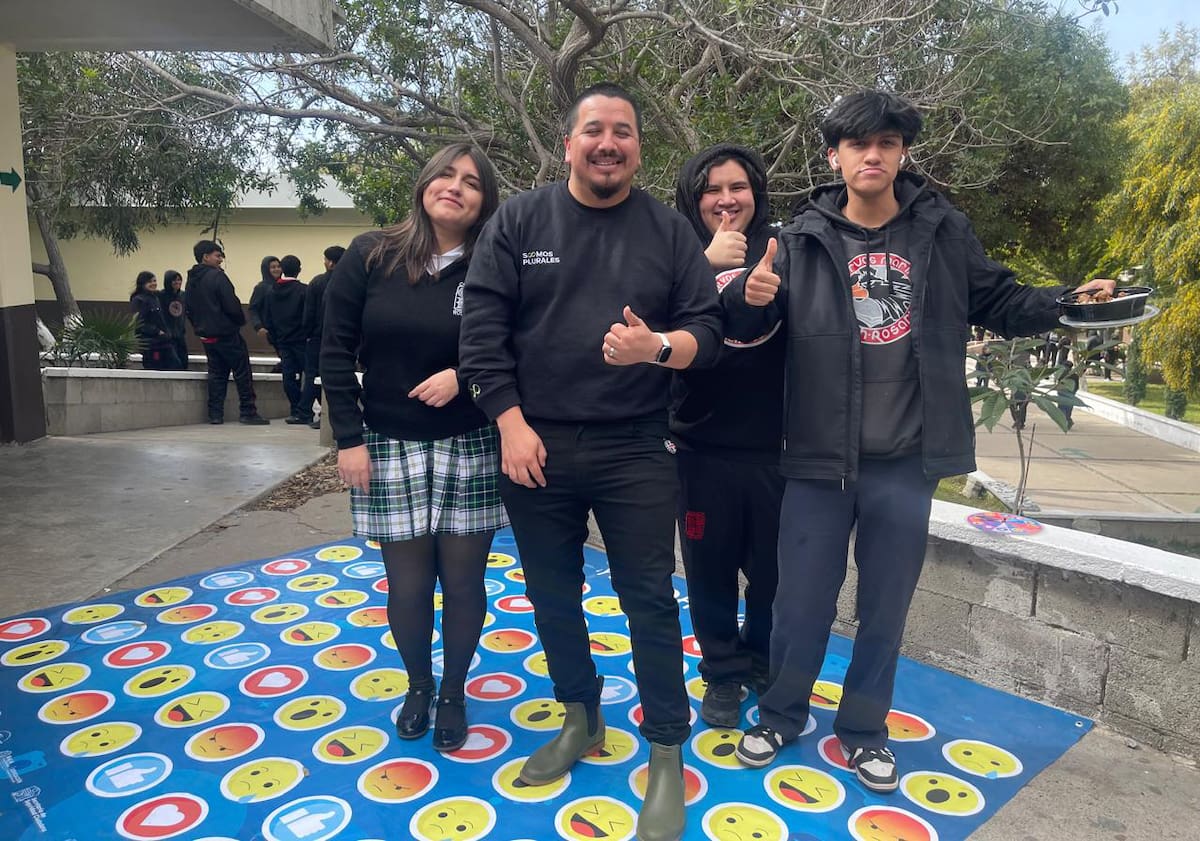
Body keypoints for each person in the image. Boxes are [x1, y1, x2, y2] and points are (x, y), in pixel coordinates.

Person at [721, 89, 1115, 793]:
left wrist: (1064, 303)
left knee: (885, 606)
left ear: (902, 152)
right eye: (857, 144)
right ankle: (781, 713)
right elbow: (749, 332)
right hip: (817, 456)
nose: (872, 155)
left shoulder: (941, 229)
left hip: (906, 458)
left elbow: (999, 298)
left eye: (887, 143)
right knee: (800, 602)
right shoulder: (801, 238)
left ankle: (864, 729)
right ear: (835, 155)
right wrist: (744, 300)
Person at [459, 82, 722, 841]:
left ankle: (666, 749)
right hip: (534, 442)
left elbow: (706, 328)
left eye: (625, 133)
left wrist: (660, 348)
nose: (610, 144)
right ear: (569, 141)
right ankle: (581, 716)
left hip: (636, 443)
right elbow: (482, 332)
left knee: (649, 598)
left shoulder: (668, 232)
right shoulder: (519, 220)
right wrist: (509, 421)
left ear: (639, 147)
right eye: (595, 130)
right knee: (551, 592)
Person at [321, 143, 505, 754]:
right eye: (446, 175)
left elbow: (519, 342)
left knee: (463, 578)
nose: (455, 187)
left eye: (471, 182)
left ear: (485, 202)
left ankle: (454, 689)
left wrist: (464, 372)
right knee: (406, 580)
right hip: (387, 442)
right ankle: (419, 684)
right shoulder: (370, 255)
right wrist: (348, 439)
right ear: (425, 184)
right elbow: (335, 352)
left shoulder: (493, 264)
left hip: (470, 441)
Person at [671, 143, 784, 728]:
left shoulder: (784, 249)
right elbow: (649, 327)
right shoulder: (675, 255)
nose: (725, 199)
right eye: (711, 189)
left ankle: (762, 658)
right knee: (709, 570)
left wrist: (759, 287)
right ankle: (721, 671)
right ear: (695, 199)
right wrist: (707, 264)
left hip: (775, 449)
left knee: (772, 574)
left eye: (736, 187)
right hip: (701, 448)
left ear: (755, 193)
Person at [185, 240, 269, 425]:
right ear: (205, 257)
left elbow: (188, 308)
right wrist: (238, 321)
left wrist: (198, 328)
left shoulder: (191, 280)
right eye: (217, 255)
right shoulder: (217, 277)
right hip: (226, 333)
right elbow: (231, 304)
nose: (221, 259)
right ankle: (248, 411)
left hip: (206, 336)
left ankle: (215, 414)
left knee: (216, 374)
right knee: (242, 372)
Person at [299, 245, 344, 430]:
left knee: (312, 375)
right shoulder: (352, 281)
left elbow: (308, 313)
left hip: (318, 337)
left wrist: (307, 333)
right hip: (343, 338)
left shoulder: (317, 282)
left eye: (325, 259)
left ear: (331, 263)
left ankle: (306, 412)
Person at [263, 254, 310, 424]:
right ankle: (307, 410)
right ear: (299, 270)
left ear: (282, 269)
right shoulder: (304, 290)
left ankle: (295, 409)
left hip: (283, 340)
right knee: (311, 374)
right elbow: (307, 317)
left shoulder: (271, 291)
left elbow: (267, 318)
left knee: (288, 376)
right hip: (302, 340)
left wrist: (276, 338)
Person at [129, 271, 179, 370]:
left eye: (155, 281)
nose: (153, 284)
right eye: (150, 282)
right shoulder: (139, 300)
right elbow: (140, 323)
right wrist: (157, 331)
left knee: (175, 366)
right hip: (151, 344)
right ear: (142, 284)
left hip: (163, 341)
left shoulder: (155, 297)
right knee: (155, 368)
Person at [250, 255, 283, 370]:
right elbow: (253, 308)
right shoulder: (261, 288)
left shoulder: (283, 285)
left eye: (279, 266)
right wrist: (258, 326)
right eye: (273, 267)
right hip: (271, 329)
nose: (277, 269)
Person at [160, 269, 189, 370]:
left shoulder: (183, 295)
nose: (177, 283)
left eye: (179, 280)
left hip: (180, 334)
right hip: (167, 335)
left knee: (184, 360)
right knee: (173, 362)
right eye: (174, 280)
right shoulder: (161, 296)